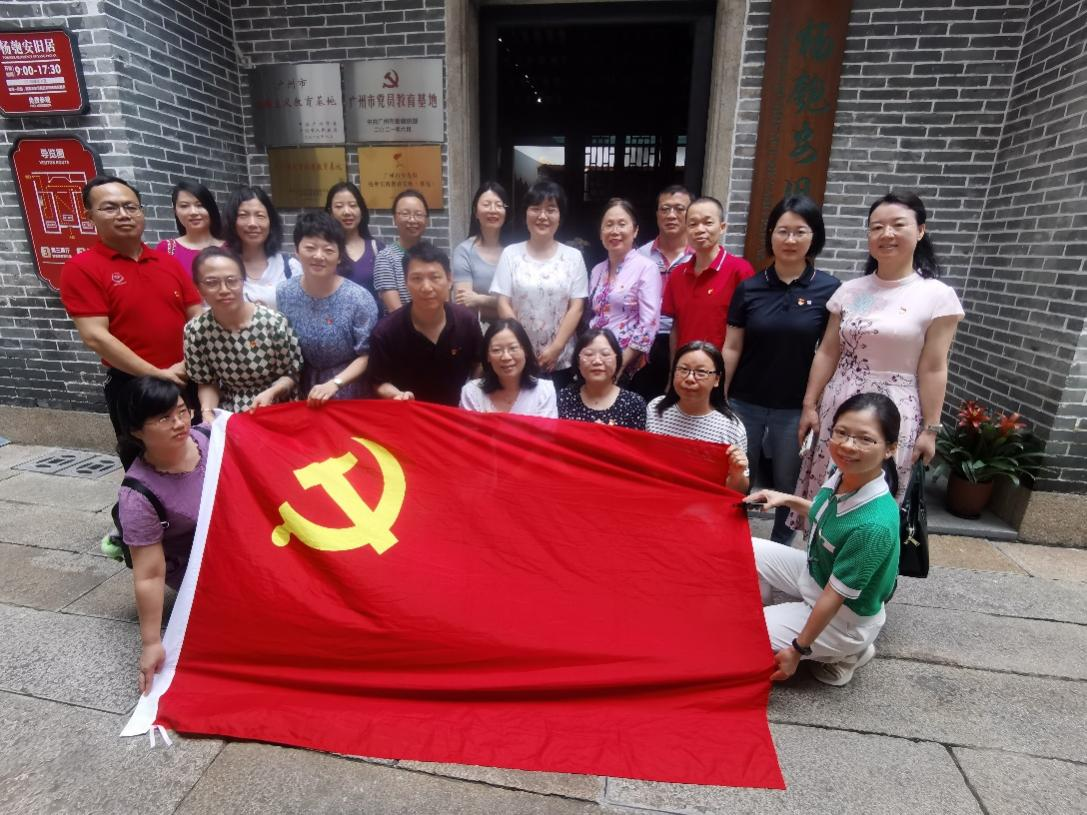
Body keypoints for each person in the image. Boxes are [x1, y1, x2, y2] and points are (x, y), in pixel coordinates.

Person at [793, 191, 965, 514]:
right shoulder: (851, 291)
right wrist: (809, 405)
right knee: (829, 490)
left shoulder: (936, 296)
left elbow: (933, 367)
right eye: (876, 227)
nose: (886, 234)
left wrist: (931, 429)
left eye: (898, 225)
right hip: (839, 405)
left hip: (894, 410)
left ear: (920, 231)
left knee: (875, 497)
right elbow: (828, 351)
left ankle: (868, 547)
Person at [744, 393, 901, 687]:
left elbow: (834, 596)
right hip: (816, 575)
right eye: (841, 432)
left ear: (890, 449)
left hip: (844, 619)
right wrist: (785, 499)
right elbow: (825, 512)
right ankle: (775, 620)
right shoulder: (844, 472)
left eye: (865, 439)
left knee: (741, 631)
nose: (848, 445)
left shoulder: (873, 526)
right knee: (742, 550)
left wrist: (796, 650)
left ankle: (845, 653)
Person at [59, 176, 203, 463]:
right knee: (146, 465)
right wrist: (155, 373)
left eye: (131, 207)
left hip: (187, 376)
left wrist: (187, 364)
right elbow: (95, 336)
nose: (123, 214)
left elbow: (198, 319)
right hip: (135, 386)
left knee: (199, 456)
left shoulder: (167, 262)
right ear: (89, 216)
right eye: (110, 208)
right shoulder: (81, 268)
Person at [723, 196, 841, 544]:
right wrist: (721, 398)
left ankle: (779, 549)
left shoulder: (829, 289)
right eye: (782, 231)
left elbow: (828, 352)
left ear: (814, 237)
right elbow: (732, 347)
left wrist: (811, 404)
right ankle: (733, 543)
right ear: (771, 235)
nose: (790, 240)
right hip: (744, 402)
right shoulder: (749, 287)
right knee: (739, 477)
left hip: (794, 407)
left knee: (788, 483)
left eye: (800, 232)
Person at [114, 376, 210, 694]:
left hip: (236, 541)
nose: (179, 423)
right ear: (136, 431)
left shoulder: (209, 438)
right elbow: (149, 575)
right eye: (164, 418)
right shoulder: (139, 495)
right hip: (198, 567)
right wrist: (152, 643)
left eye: (182, 411)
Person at [490, 180, 588, 391]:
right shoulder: (510, 254)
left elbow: (577, 307)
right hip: (516, 357)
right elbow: (503, 303)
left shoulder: (573, 257)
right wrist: (522, 347)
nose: (542, 216)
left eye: (551, 210)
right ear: (525, 214)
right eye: (535, 208)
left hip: (561, 359)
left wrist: (556, 348)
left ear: (560, 216)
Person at [184, 246, 303, 414]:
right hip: (229, 410)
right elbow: (207, 382)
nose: (224, 290)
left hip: (277, 405)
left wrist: (272, 392)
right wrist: (207, 412)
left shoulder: (274, 323)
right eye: (212, 283)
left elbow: (292, 373)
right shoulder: (196, 331)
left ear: (243, 281)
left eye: (232, 281)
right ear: (198, 287)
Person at [276, 211, 379, 404]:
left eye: (328, 250)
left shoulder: (359, 298)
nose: (318, 256)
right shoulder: (284, 293)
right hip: (303, 388)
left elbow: (367, 355)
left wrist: (335, 383)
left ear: (339, 256)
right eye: (310, 248)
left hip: (349, 389)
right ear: (296, 251)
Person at [368, 241, 484, 406]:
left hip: (459, 411)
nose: (426, 287)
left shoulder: (466, 321)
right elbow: (379, 382)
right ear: (405, 282)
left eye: (435, 277)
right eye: (417, 278)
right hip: (411, 412)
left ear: (449, 280)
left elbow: (479, 363)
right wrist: (398, 395)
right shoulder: (385, 332)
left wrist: (471, 393)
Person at [646, 341, 749, 493]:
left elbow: (737, 492)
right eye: (683, 369)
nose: (690, 378)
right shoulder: (655, 409)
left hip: (701, 503)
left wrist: (737, 473)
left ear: (717, 379)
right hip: (656, 495)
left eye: (701, 372)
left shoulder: (731, 427)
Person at [662, 196, 754, 356]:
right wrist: (673, 368)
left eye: (708, 222)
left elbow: (749, 328)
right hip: (686, 366)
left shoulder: (740, 271)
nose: (700, 229)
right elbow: (676, 328)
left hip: (721, 365)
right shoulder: (677, 274)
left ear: (722, 227)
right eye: (693, 224)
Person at [587, 198, 661, 382]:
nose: (615, 231)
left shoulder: (647, 268)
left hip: (626, 363)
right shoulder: (597, 270)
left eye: (622, 224)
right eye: (608, 225)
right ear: (601, 233)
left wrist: (619, 365)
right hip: (595, 360)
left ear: (635, 230)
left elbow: (649, 323)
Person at [632, 185, 693, 400]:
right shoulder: (641, 255)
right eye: (665, 209)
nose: (671, 215)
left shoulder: (699, 256)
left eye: (679, 209)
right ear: (657, 214)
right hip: (646, 342)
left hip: (685, 340)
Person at [222, 185, 300, 309]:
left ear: (271, 222)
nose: (252, 223)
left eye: (260, 216)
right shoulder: (221, 268)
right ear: (232, 221)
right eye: (243, 215)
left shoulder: (290, 268)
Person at [459, 319, 557, 417]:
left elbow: (546, 427)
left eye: (513, 348)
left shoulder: (544, 391)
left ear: (526, 351)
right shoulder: (472, 393)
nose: (506, 357)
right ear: (487, 356)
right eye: (496, 350)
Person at [558, 328, 647, 430]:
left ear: (617, 360)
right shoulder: (564, 399)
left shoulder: (634, 404)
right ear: (578, 361)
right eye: (589, 354)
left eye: (605, 354)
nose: (597, 361)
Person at [453, 181, 508, 326]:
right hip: (476, 329)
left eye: (499, 205)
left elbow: (522, 302)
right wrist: (505, 305)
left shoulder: (515, 251)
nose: (493, 210)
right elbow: (464, 303)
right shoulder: (464, 251)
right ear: (476, 212)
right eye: (486, 204)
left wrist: (479, 299)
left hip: (514, 331)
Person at [325, 181, 384, 303]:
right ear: (330, 212)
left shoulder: (377, 248)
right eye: (339, 206)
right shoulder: (324, 250)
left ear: (361, 210)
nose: (347, 212)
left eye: (353, 205)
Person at [372, 188, 430, 312]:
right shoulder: (385, 258)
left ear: (427, 220)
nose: (412, 220)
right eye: (405, 214)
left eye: (418, 214)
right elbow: (395, 310)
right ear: (394, 218)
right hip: (401, 323)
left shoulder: (433, 256)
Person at [155, 179, 223, 277]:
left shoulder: (231, 248)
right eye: (184, 206)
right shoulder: (167, 249)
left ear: (211, 208)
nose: (193, 212)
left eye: (200, 205)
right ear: (175, 211)